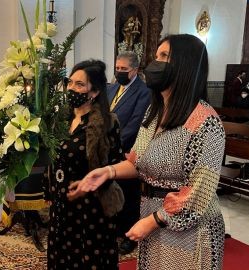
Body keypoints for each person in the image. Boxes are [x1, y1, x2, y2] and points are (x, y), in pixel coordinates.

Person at [70, 34, 226, 269]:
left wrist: (154, 221)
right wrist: (107, 172)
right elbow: (137, 161)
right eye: (156, 56)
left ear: (185, 65)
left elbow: (199, 193)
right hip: (152, 214)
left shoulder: (206, 121)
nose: (155, 63)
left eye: (164, 56)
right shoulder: (155, 111)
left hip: (188, 229)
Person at [44, 59, 123, 269]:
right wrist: (50, 192)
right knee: (62, 256)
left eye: (79, 85)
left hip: (90, 207)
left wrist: (92, 184)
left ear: (94, 91)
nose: (72, 88)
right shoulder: (61, 119)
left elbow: (115, 166)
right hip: (62, 203)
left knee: (88, 260)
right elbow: (53, 159)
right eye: (70, 83)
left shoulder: (107, 123)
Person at [108, 51, 150, 254]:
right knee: (111, 191)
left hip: (127, 151)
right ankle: (114, 228)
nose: (119, 72)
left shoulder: (144, 92)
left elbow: (135, 124)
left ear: (135, 70)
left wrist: (113, 146)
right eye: (117, 68)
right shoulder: (113, 87)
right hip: (108, 148)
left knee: (128, 194)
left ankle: (128, 236)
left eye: (124, 69)